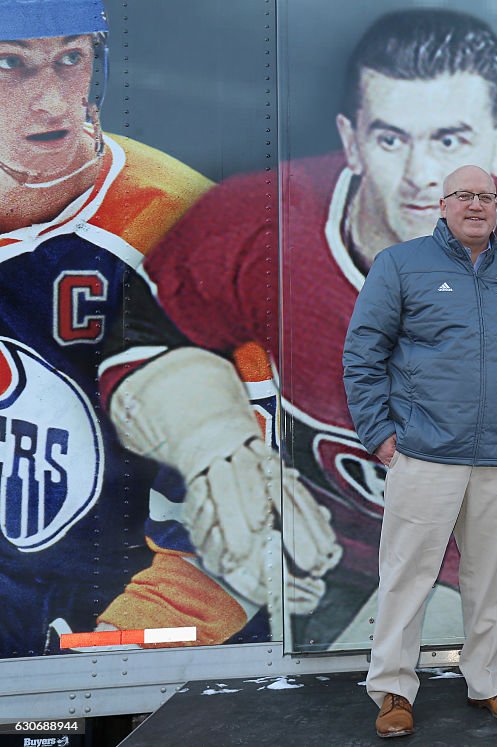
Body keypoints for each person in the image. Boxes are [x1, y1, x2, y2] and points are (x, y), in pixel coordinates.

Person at [97, 8, 497, 650]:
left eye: (449, 141)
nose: (421, 176)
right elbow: (145, 330)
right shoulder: (263, 222)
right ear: (352, 140)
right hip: (299, 545)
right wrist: (214, 445)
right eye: (391, 139)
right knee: (138, 652)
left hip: (474, 569)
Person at [0, 0, 242, 656]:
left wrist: (107, 646)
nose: (52, 102)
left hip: (102, 619)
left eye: (70, 59)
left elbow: (239, 511)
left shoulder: (175, 222)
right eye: (10, 65)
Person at [343, 164, 497, 739]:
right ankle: (392, 688)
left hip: (494, 456)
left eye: (485, 197)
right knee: (407, 576)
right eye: (463, 195)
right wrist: (380, 435)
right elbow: (363, 353)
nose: (475, 205)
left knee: (492, 577)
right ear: (442, 205)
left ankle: (489, 681)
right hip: (424, 452)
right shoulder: (401, 264)